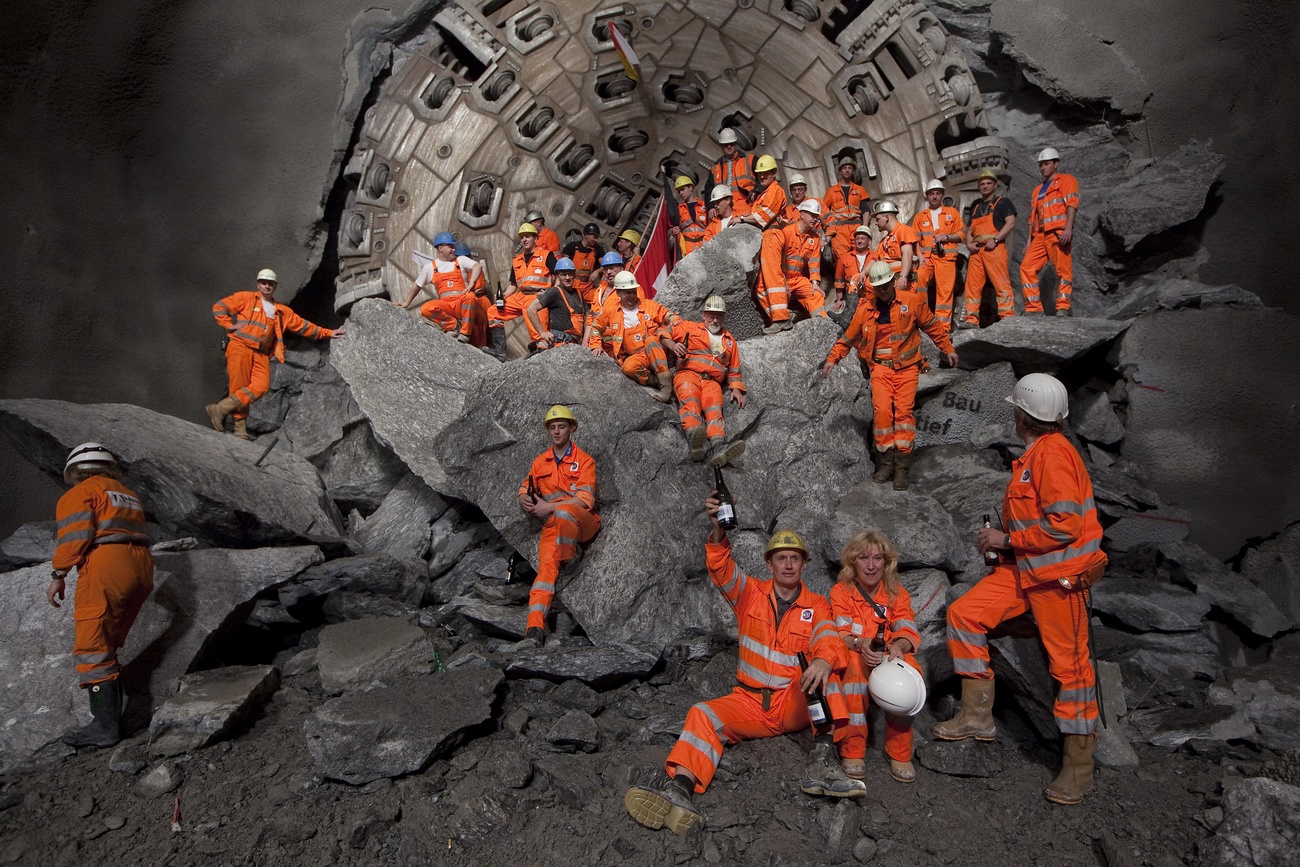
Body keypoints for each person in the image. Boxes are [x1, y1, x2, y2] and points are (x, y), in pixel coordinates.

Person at [624, 507, 865, 836]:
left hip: (791, 702)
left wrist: (823, 659)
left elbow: (828, 638)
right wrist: (717, 532)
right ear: (770, 564)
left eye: (795, 558)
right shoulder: (750, 594)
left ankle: (822, 763)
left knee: (830, 669)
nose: (789, 564)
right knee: (702, 714)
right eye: (782, 558)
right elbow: (720, 568)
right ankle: (679, 791)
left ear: (804, 564)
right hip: (749, 702)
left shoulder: (817, 604)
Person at [932, 373, 1106, 806]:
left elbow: (1064, 525)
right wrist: (1007, 552)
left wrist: (1007, 541)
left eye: (1015, 408)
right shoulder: (1037, 455)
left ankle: (1079, 767)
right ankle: (977, 716)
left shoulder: (1055, 457)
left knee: (1072, 672)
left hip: (1058, 581)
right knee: (964, 614)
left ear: (1023, 414)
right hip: (1027, 571)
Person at [48, 443, 154, 749]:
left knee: (92, 646)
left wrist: (58, 575)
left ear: (74, 471)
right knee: (107, 644)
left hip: (108, 562)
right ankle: (109, 722)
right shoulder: (126, 493)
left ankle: (104, 728)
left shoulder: (79, 493)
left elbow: (74, 536)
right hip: (142, 565)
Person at [821, 261, 958, 491]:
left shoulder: (911, 302)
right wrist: (833, 358)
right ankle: (886, 463)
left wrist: (948, 348)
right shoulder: (866, 308)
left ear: (893, 282)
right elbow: (849, 337)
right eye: (879, 286)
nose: (883, 290)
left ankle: (902, 467)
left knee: (903, 414)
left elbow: (932, 326)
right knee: (883, 413)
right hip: (881, 369)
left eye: (886, 285)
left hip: (907, 368)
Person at [207, 268, 345, 440]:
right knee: (239, 387)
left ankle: (220, 409)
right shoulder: (245, 298)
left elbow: (304, 326)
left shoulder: (281, 311)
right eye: (264, 283)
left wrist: (328, 333)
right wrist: (229, 325)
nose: (267, 286)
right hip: (240, 346)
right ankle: (240, 430)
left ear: (275, 286)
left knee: (261, 387)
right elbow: (219, 307)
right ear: (258, 284)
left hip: (261, 353)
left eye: (270, 284)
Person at [829, 530, 922, 783]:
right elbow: (841, 633)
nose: (870, 566)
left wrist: (899, 648)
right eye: (863, 558)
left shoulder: (896, 593)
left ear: (886, 562)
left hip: (888, 655)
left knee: (911, 671)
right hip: (858, 653)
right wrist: (861, 644)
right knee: (854, 670)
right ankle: (853, 749)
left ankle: (900, 752)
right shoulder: (842, 591)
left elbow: (907, 630)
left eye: (877, 558)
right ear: (852, 562)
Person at [516, 406, 600, 648]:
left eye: (561, 426)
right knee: (544, 573)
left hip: (582, 522)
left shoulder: (584, 461)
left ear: (571, 429)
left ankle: (571, 558)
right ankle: (534, 628)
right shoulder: (540, 462)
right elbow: (525, 487)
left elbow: (586, 500)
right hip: (554, 526)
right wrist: (525, 499)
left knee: (564, 511)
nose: (556, 431)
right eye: (552, 428)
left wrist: (548, 508)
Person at [666, 296, 747, 466]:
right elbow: (662, 332)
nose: (715, 320)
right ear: (703, 315)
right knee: (690, 403)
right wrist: (673, 346)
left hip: (712, 382)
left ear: (724, 317)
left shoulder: (729, 340)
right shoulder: (689, 327)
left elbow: (734, 370)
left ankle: (719, 448)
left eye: (719, 316)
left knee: (715, 412)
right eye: (711, 315)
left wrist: (736, 388)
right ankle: (694, 438)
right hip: (688, 374)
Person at [587, 271, 681, 402]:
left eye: (633, 291)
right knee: (628, 367)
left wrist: (674, 319)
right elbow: (596, 327)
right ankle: (657, 381)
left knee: (651, 340)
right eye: (627, 292)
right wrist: (596, 345)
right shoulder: (611, 311)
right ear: (618, 293)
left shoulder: (648, 305)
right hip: (637, 356)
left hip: (655, 350)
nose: (631, 295)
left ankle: (666, 387)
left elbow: (667, 315)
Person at [1020, 148, 1079, 315]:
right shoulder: (1037, 190)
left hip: (1058, 233)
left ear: (1056, 164)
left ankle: (1063, 307)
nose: (1043, 167)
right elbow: (1033, 217)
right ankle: (1034, 308)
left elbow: (1072, 204)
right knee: (1026, 267)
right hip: (1040, 236)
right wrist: (1028, 241)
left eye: (1046, 164)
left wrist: (1068, 228)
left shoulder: (1066, 180)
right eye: (1041, 165)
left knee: (1063, 271)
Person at [393, 232, 480, 343]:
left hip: (461, 302)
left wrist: (472, 282)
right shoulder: (430, 267)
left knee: (470, 297)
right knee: (426, 309)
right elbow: (417, 285)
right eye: (451, 246)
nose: (454, 249)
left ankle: (465, 333)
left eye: (454, 247)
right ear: (441, 248)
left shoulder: (460, 260)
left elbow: (477, 266)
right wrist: (406, 303)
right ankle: (454, 326)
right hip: (446, 305)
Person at [958, 168, 1017, 329]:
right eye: (982, 184)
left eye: (988, 183)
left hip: (994, 249)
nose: (985, 186)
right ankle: (971, 318)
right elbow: (970, 230)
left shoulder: (1002, 203)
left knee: (1001, 282)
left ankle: (1007, 317)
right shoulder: (976, 207)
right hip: (977, 251)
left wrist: (996, 239)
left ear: (995, 185)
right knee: (972, 285)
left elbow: (1010, 222)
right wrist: (969, 244)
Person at [737, 154, 789, 333]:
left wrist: (742, 219)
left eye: (766, 172)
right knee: (760, 283)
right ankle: (779, 316)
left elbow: (762, 218)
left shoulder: (776, 191)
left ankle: (782, 319)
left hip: (771, 235)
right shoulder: (763, 194)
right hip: (764, 237)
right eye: (760, 173)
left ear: (774, 172)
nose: (762, 176)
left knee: (772, 277)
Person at [911, 179, 966, 330]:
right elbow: (914, 239)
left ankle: (943, 328)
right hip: (926, 257)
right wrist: (919, 255)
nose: (934, 197)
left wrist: (946, 237)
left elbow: (961, 234)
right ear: (927, 196)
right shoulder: (920, 216)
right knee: (919, 282)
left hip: (946, 257)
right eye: (931, 194)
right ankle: (923, 321)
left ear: (942, 195)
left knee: (945, 292)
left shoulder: (951, 213)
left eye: (937, 193)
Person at [498, 222, 558, 344]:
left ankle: (540, 349)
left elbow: (558, 275)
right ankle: (500, 351)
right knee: (493, 312)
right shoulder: (517, 260)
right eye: (522, 237)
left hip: (538, 297)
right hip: (521, 296)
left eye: (528, 236)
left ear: (535, 239)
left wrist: (553, 292)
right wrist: (503, 296)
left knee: (539, 334)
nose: (524, 240)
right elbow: (513, 284)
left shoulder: (546, 255)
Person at [776, 199, 830, 326]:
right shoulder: (787, 232)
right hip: (782, 277)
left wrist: (815, 283)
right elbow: (777, 260)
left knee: (816, 294)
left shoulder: (814, 238)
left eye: (816, 217)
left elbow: (814, 263)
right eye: (812, 215)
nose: (815, 219)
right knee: (778, 298)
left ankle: (821, 325)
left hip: (798, 279)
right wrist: (782, 280)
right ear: (802, 214)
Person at [526, 257, 590, 350]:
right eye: (563, 274)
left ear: (574, 274)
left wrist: (585, 340)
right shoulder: (554, 292)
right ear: (558, 276)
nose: (567, 278)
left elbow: (588, 317)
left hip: (576, 344)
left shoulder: (579, 293)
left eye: (570, 274)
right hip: (560, 344)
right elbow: (531, 309)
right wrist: (542, 332)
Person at [822, 156, 871, 261]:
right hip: (839, 231)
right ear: (840, 171)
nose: (847, 170)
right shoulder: (831, 191)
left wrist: (865, 228)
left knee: (861, 257)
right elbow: (824, 212)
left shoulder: (860, 190)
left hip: (857, 229)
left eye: (849, 168)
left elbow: (865, 210)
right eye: (844, 168)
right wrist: (829, 230)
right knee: (842, 259)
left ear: (853, 171)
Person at [866, 200, 919, 292]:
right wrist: (862, 273)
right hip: (888, 282)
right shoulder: (885, 240)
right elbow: (874, 259)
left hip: (901, 282)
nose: (876, 223)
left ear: (887, 217)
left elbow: (907, 253)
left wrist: (903, 276)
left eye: (878, 219)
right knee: (861, 282)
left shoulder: (904, 230)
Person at [706, 127, 756, 218]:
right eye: (726, 144)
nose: (729, 146)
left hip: (745, 207)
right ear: (721, 145)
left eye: (731, 144)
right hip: (723, 212)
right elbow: (709, 189)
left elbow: (763, 178)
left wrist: (757, 191)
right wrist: (710, 207)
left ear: (736, 144)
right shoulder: (715, 168)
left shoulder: (749, 160)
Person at [832, 224, 873, 315]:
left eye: (863, 238)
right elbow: (839, 281)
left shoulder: (874, 257)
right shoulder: (844, 258)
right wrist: (839, 300)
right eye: (857, 238)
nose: (859, 241)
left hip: (870, 296)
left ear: (869, 241)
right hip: (850, 296)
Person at [561, 222, 607, 302]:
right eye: (594, 237)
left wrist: (598, 271)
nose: (596, 240)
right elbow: (561, 267)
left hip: (587, 286)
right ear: (586, 235)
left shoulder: (597, 249)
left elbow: (605, 266)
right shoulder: (572, 247)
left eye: (597, 237)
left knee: (601, 299)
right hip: (572, 284)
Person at [672, 176, 708, 256]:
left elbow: (712, 225)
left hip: (705, 243)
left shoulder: (705, 206)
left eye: (683, 189)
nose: (681, 193)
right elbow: (675, 228)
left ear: (690, 188)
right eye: (679, 191)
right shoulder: (679, 209)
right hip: (687, 246)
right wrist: (675, 230)